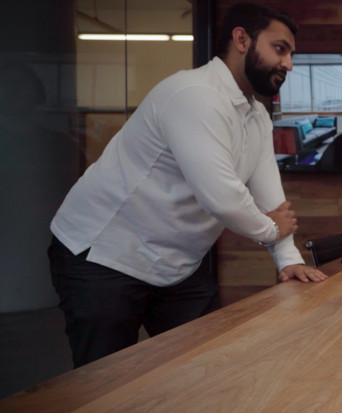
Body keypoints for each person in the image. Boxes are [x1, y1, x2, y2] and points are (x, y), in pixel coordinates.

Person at [48, 2, 327, 368]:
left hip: (177, 264)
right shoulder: (194, 94)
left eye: (291, 53)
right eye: (280, 49)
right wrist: (271, 230)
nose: (289, 63)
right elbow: (223, 199)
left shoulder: (256, 115)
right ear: (241, 39)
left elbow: (268, 193)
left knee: (201, 372)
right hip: (105, 255)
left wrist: (287, 258)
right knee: (106, 383)